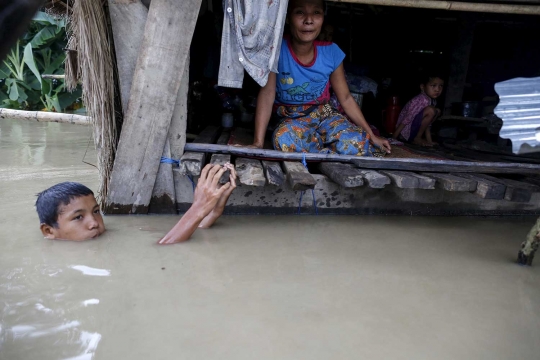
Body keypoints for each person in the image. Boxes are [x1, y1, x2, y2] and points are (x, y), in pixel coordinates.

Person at [249, 0, 391, 156]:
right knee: (284, 140)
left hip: (325, 117)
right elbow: (267, 94)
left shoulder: (331, 52)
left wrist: (371, 134)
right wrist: (258, 143)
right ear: (288, 17)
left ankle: (316, 152)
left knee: (357, 142)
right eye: (300, 12)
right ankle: (329, 152)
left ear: (323, 17)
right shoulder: (275, 50)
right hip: (292, 120)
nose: (308, 20)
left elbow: (345, 98)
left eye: (316, 13)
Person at [35, 164, 237, 243]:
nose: (94, 222)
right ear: (49, 231)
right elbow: (165, 248)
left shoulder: (111, 236)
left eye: (96, 212)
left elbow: (173, 238)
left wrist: (213, 211)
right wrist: (198, 208)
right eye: (78, 217)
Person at [392, 74, 444, 147]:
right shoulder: (420, 100)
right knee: (431, 110)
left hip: (412, 131)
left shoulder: (432, 101)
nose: (437, 89)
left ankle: (418, 138)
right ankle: (417, 138)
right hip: (405, 132)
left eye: (440, 86)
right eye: (433, 85)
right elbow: (406, 119)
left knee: (437, 111)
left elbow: (427, 123)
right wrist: (394, 138)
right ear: (423, 87)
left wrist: (429, 141)